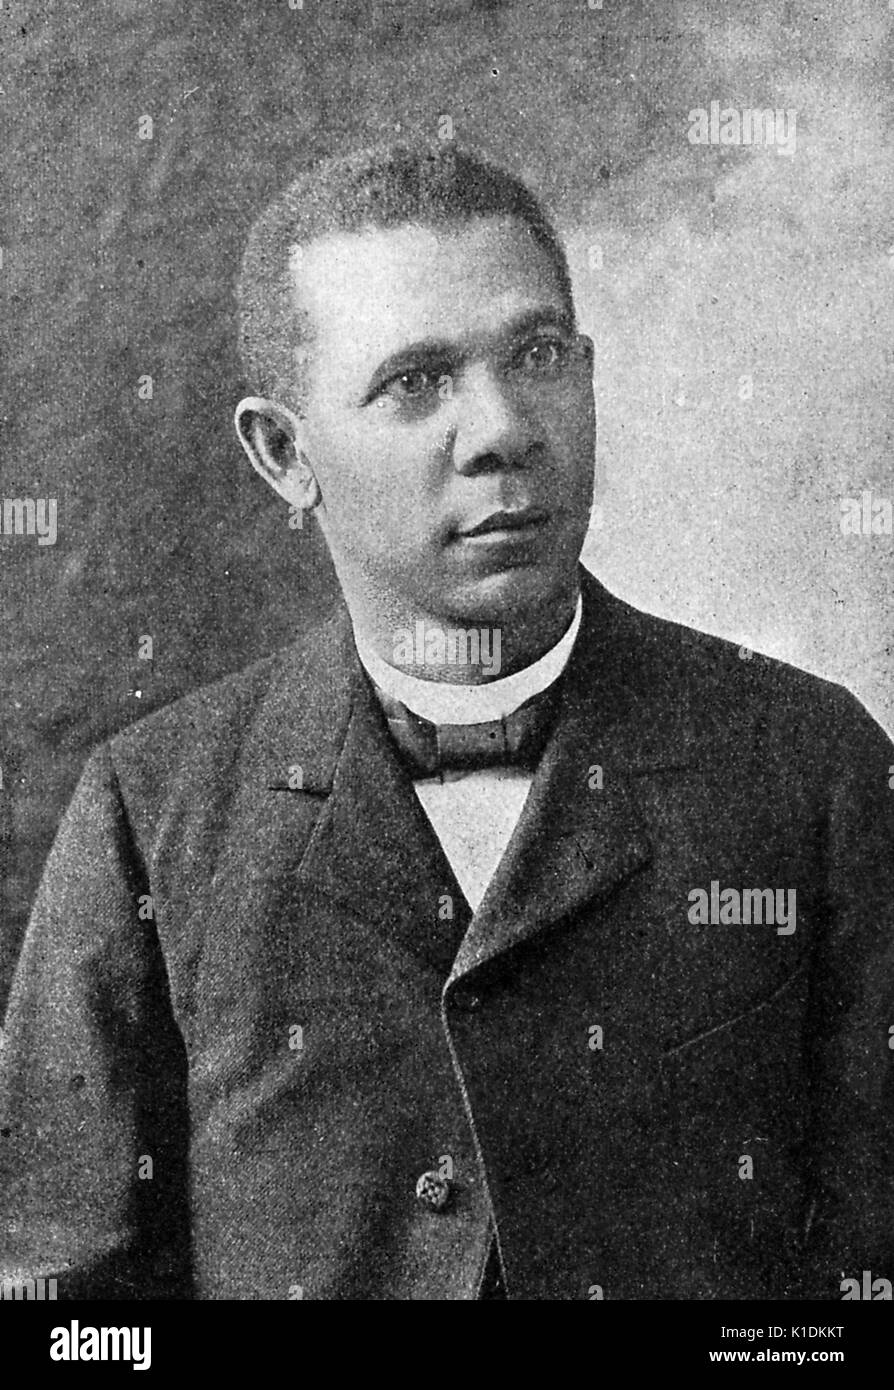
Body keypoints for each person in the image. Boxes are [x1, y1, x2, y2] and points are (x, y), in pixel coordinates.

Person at [1, 142, 892, 1301]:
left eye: (536, 356)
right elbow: (66, 1306)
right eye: (417, 380)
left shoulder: (814, 768)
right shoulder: (152, 812)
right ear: (284, 453)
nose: (503, 429)